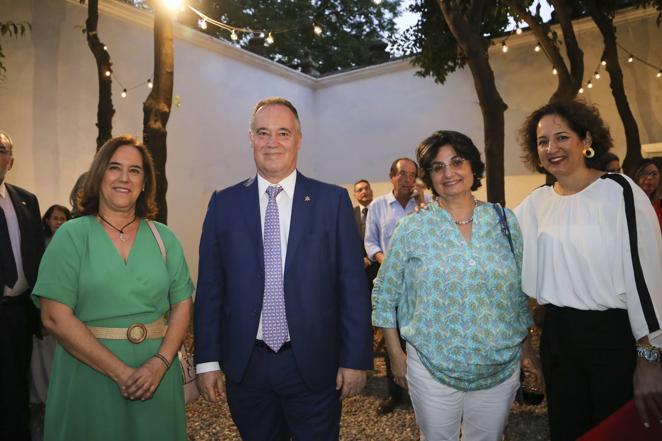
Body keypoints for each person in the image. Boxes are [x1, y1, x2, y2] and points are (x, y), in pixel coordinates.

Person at [194, 97, 372, 441]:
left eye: (283, 133)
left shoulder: (332, 202)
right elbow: (211, 289)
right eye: (263, 133)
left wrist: (354, 358)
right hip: (248, 367)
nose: (272, 142)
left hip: (315, 366)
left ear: (299, 139)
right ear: (250, 138)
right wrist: (207, 361)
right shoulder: (223, 204)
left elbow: (351, 287)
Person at [373, 130, 539, 440]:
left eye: (457, 161)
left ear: (473, 167)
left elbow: (516, 293)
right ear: (430, 176)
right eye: (437, 167)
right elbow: (385, 293)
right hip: (432, 365)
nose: (448, 173)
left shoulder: (504, 221)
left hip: (499, 367)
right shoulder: (413, 228)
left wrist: (527, 349)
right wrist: (396, 355)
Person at [515, 100, 662, 440]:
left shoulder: (620, 192)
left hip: (613, 340)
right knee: (568, 432)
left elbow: (646, 282)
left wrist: (650, 360)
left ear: (585, 139)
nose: (552, 148)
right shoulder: (536, 203)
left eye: (562, 137)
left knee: (615, 433)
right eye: (542, 141)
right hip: (557, 339)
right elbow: (496, 246)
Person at [32, 135, 194, 441]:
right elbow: (54, 316)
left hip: (157, 378)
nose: (124, 178)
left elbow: (182, 304)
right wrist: (121, 372)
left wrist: (159, 364)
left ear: (145, 182)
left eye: (135, 171)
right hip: (88, 374)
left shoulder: (164, 238)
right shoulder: (71, 236)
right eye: (114, 167)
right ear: (99, 175)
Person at [364, 157, 419, 414]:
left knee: (419, 338)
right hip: (392, 282)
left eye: (412, 175)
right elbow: (371, 242)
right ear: (392, 177)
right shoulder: (378, 206)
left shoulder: (425, 205)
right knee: (392, 338)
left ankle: (423, 394)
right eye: (402, 174)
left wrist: (422, 203)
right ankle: (395, 394)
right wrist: (387, 262)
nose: (408, 180)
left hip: (420, 285)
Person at [0, 130, 44, 441]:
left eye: (1, 149)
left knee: (17, 384)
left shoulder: (27, 200)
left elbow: (38, 256)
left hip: (19, 312)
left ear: (10, 161)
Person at [353, 179, 379, 288]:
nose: (364, 192)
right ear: (355, 195)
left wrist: (370, 259)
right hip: (358, 268)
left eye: (366, 189)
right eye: (360, 190)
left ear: (371, 192)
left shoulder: (380, 210)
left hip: (379, 266)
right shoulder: (349, 213)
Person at [633, 158, 662, 231]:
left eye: (654, 174)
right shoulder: (631, 203)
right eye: (644, 173)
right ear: (636, 176)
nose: (649, 177)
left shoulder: (659, 204)